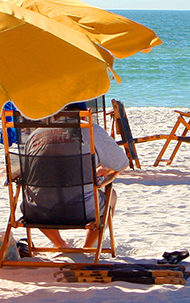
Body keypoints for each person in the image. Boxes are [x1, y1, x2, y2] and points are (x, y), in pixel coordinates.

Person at [18, 103, 129, 250]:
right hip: (82, 211)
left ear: (55, 114)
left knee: (39, 195)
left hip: (38, 211)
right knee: (111, 195)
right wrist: (103, 169)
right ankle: (88, 247)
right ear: (84, 114)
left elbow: (27, 171)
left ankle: (60, 245)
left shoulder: (35, 134)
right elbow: (121, 163)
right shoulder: (90, 130)